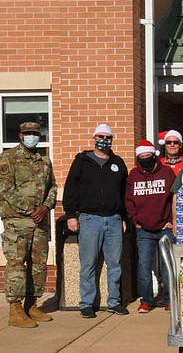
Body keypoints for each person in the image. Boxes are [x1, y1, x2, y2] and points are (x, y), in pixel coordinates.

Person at [63, 124, 129, 318]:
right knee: (88, 263)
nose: (104, 140)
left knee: (115, 263)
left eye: (108, 137)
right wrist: (71, 215)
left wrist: (123, 217)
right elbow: (70, 189)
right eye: (100, 136)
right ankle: (86, 303)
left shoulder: (118, 162)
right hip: (89, 219)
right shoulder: (82, 161)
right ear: (94, 138)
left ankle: (114, 302)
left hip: (114, 219)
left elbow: (124, 193)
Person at [0, 122, 57, 328]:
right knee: (16, 266)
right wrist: (31, 209)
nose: (32, 136)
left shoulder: (44, 161)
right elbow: (6, 190)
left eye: (36, 134)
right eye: (28, 133)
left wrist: (45, 208)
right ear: (20, 135)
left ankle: (32, 305)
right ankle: (15, 309)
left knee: (38, 265)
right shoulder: (8, 158)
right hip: (17, 221)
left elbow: (53, 187)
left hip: (39, 222)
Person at [125, 140, 177, 314]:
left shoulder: (167, 173)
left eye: (148, 156)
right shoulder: (133, 175)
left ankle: (170, 299)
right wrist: (135, 221)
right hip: (144, 230)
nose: (145, 159)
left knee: (167, 265)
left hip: (165, 227)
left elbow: (175, 197)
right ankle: (146, 300)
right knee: (144, 265)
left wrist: (172, 220)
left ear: (154, 155)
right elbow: (129, 201)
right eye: (142, 157)